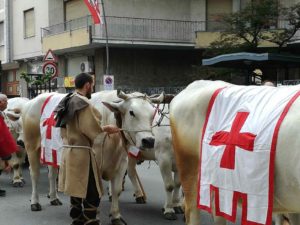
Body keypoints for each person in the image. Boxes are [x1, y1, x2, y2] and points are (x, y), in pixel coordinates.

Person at [55, 73, 120, 225]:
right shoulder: (83, 103)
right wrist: (107, 128)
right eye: (92, 85)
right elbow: (92, 129)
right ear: (87, 85)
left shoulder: (68, 99)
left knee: (76, 186)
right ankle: (90, 220)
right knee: (93, 191)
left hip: (69, 150)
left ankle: (77, 218)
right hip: (82, 152)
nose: (92, 88)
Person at [0, 94, 18, 197]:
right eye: (6, 101)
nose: (7, 103)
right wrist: (6, 158)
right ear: (0, 103)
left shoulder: (2, 114)